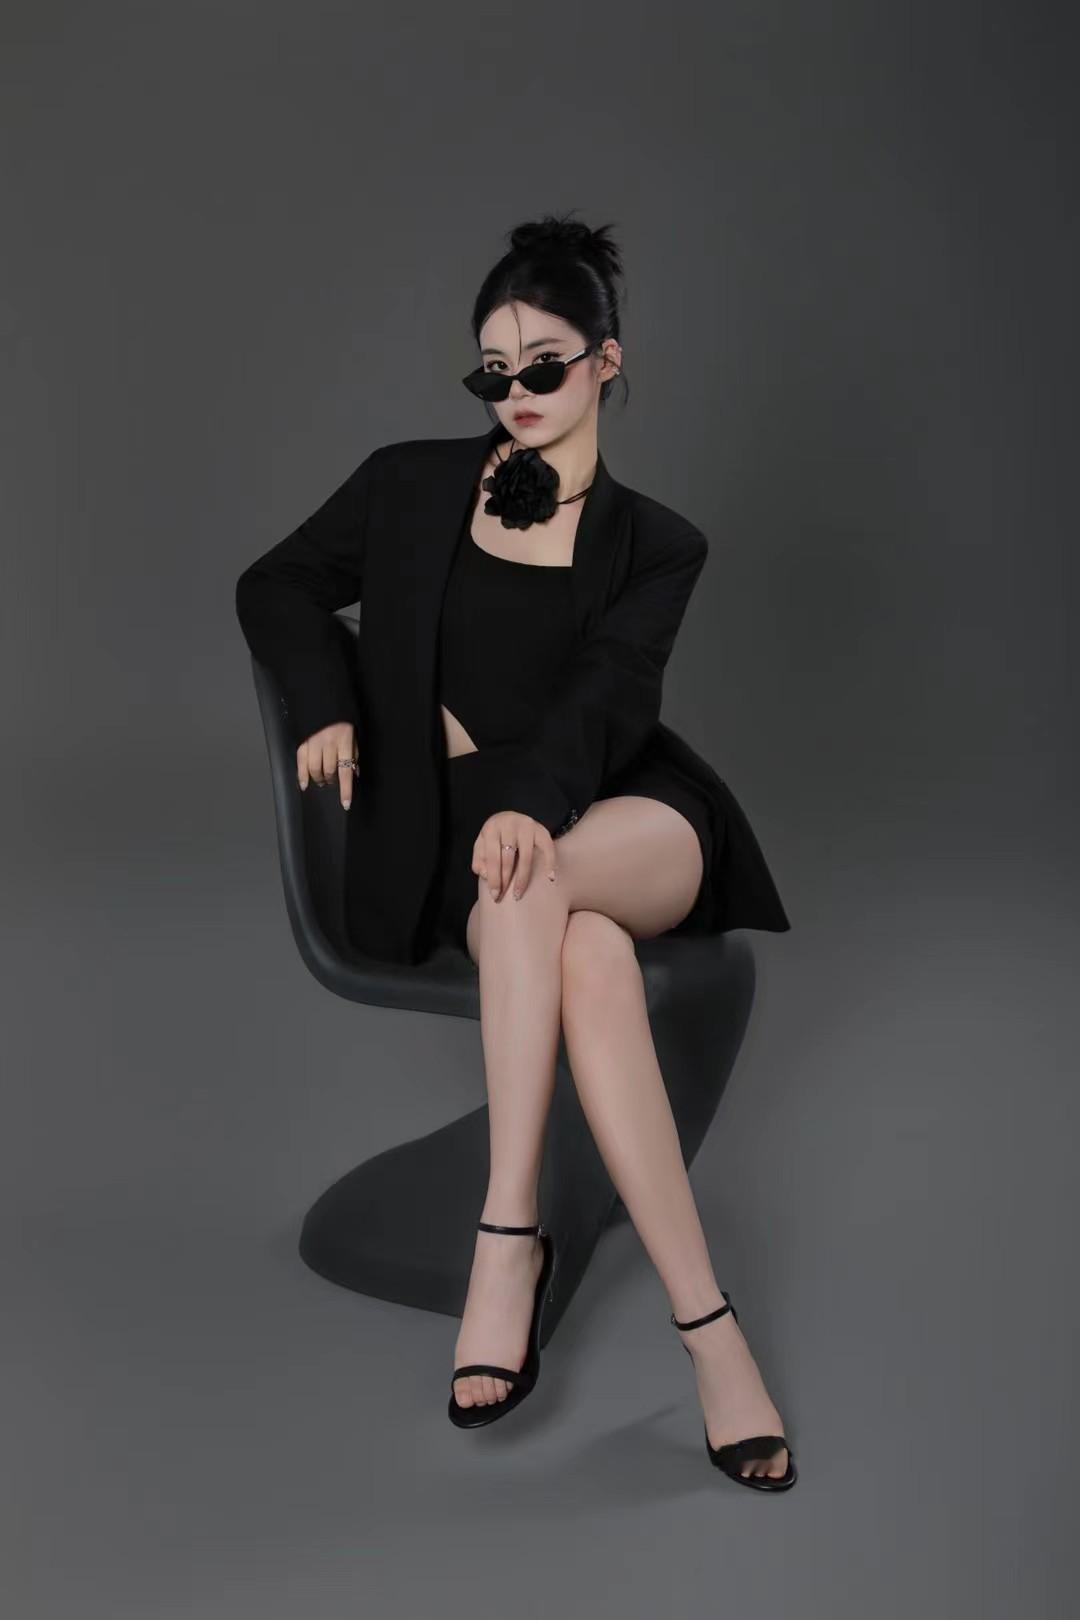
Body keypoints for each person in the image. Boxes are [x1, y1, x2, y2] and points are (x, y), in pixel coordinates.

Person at [235, 213, 796, 1490]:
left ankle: (508, 1239)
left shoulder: (661, 542)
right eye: (494, 369)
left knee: (543, 871)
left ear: (608, 360)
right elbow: (274, 584)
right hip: (464, 839)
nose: (517, 390)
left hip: (623, 811)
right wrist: (325, 702)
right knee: (583, 952)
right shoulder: (406, 484)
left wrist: (536, 806)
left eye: (545, 363)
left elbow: (607, 699)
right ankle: (711, 1332)